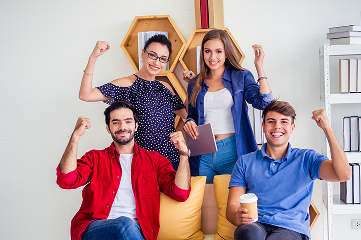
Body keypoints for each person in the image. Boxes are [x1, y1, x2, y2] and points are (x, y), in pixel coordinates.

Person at [56, 101, 191, 240]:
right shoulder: (95, 157)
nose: (122, 127)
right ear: (108, 128)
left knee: (126, 226)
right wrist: (75, 137)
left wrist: (184, 153)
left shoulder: (155, 160)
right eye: (116, 122)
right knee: (123, 224)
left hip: (136, 232)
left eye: (128, 121)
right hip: (95, 228)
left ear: (136, 125)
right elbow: (67, 180)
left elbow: (181, 194)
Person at [226, 100, 352, 240]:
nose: (277, 126)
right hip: (255, 224)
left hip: (290, 227)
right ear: (263, 126)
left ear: (292, 128)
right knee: (247, 234)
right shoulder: (244, 162)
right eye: (271, 121)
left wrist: (327, 129)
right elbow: (232, 205)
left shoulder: (307, 159)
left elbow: (343, 174)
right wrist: (236, 216)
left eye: (284, 121)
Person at [78, 34, 187, 170]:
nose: (157, 62)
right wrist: (93, 58)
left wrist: (192, 86)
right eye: (152, 55)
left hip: (171, 161)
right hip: (142, 163)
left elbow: (187, 114)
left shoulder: (165, 87)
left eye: (163, 59)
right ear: (143, 54)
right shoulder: (127, 84)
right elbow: (85, 95)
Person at [182, 29, 273, 182]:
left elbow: (264, 102)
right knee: (205, 202)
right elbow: (191, 115)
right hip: (202, 151)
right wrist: (189, 121)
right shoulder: (194, 83)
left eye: (218, 51)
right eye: (207, 51)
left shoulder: (240, 76)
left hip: (232, 150)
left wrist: (259, 67)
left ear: (226, 53)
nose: (212, 57)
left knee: (234, 202)